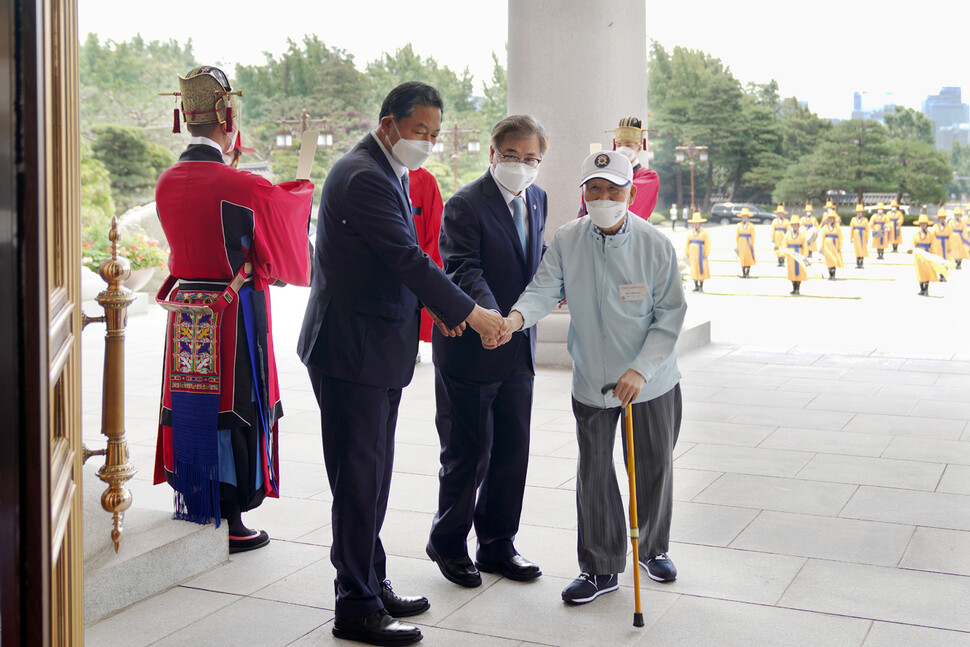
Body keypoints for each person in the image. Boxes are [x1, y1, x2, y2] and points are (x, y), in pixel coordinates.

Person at [296, 81, 504, 647]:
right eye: (420, 132)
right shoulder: (365, 175)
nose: (428, 143)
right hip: (350, 350)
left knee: (372, 475)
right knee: (359, 478)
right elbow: (405, 256)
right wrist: (470, 313)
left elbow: (391, 265)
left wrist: (435, 310)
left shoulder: (386, 168)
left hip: (372, 343)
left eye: (435, 135)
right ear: (388, 123)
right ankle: (356, 608)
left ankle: (369, 577)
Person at [497, 150, 685, 606]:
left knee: (653, 467)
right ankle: (600, 567)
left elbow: (670, 316)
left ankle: (652, 547)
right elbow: (545, 288)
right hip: (592, 383)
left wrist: (641, 369)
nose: (603, 197)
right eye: (594, 189)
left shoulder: (654, 244)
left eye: (613, 189)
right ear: (584, 194)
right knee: (595, 473)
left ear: (630, 193)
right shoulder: (568, 239)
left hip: (650, 382)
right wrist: (515, 318)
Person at [153, 66, 313, 553]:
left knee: (190, 402)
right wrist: (303, 182)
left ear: (186, 117)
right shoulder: (240, 185)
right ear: (227, 115)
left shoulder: (166, 181)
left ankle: (195, 499)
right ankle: (233, 516)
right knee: (235, 402)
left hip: (186, 309)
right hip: (232, 310)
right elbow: (283, 247)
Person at [426, 115, 549, 590]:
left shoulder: (537, 199)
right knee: (468, 452)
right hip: (472, 348)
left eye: (532, 158)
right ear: (493, 154)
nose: (522, 166)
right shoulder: (464, 205)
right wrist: (493, 318)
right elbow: (463, 270)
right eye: (513, 156)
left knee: (512, 451)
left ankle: (498, 544)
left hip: (518, 347)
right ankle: (448, 542)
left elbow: (533, 266)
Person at [409, 166, 445, 361]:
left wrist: (429, 266)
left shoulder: (424, 179)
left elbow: (435, 226)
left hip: (415, 260)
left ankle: (411, 346)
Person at [607, 116, 659, 221]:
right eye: (619, 145)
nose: (622, 149)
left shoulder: (649, 177)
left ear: (639, 148)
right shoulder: (609, 174)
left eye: (628, 145)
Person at [910, 212, 939, 296]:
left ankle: (926, 289)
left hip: (927, 255)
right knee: (920, 272)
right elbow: (913, 243)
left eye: (924, 224)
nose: (923, 225)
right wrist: (912, 249)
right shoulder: (916, 235)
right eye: (921, 224)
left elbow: (934, 244)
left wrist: (933, 254)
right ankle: (921, 288)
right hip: (919, 257)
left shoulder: (931, 234)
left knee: (927, 272)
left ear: (927, 225)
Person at [782, 215, 809, 295]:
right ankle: (793, 288)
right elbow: (784, 245)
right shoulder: (787, 235)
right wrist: (785, 252)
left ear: (798, 226)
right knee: (791, 272)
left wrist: (804, 256)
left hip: (799, 255)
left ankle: (798, 288)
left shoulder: (802, 235)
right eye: (793, 225)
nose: (794, 226)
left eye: (796, 225)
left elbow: (805, 246)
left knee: (799, 272)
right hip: (791, 256)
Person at [685, 212, 710, 291]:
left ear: (700, 224)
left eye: (697, 223)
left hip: (701, 253)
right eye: (694, 223)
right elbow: (687, 243)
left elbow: (708, 243)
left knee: (701, 269)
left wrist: (706, 253)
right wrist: (687, 253)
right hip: (692, 254)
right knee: (694, 269)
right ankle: (696, 286)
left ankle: (701, 286)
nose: (695, 224)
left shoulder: (704, 233)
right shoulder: (690, 233)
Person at [819, 208, 844, 280]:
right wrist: (822, 247)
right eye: (830, 218)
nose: (831, 220)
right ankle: (830, 274)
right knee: (828, 260)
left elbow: (841, 237)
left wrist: (840, 247)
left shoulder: (837, 228)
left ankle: (833, 275)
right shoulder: (825, 227)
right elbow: (822, 237)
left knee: (834, 260)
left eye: (832, 218)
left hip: (834, 246)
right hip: (827, 246)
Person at [931, 207, 953, 281]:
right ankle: (940, 275)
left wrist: (950, 247)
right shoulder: (935, 227)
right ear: (938, 219)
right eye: (940, 218)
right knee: (939, 260)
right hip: (938, 246)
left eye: (943, 218)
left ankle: (944, 275)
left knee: (946, 260)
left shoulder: (949, 227)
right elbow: (932, 236)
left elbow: (951, 237)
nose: (942, 219)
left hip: (946, 245)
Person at [735, 207, 756, 278]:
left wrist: (752, 244)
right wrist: (737, 245)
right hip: (741, 243)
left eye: (746, 217)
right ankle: (743, 272)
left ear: (748, 218)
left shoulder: (751, 226)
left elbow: (753, 236)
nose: (744, 218)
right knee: (742, 258)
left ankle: (748, 273)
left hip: (748, 243)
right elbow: (736, 236)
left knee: (749, 257)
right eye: (743, 217)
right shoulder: (738, 225)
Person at [850, 204, 870, 268]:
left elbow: (868, 229)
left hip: (863, 236)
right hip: (856, 237)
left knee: (862, 249)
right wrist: (851, 237)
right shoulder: (853, 219)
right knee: (857, 250)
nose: (859, 213)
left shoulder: (865, 220)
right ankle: (857, 263)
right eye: (858, 212)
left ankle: (861, 263)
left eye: (860, 212)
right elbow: (851, 229)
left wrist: (867, 238)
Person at [950, 205, 968, 270]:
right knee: (954, 250)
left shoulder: (962, 222)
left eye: (958, 215)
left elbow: (964, 230)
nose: (957, 216)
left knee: (960, 251)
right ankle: (955, 262)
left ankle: (959, 262)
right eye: (956, 215)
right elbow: (949, 230)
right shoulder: (951, 222)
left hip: (960, 238)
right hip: (953, 238)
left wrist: (964, 238)